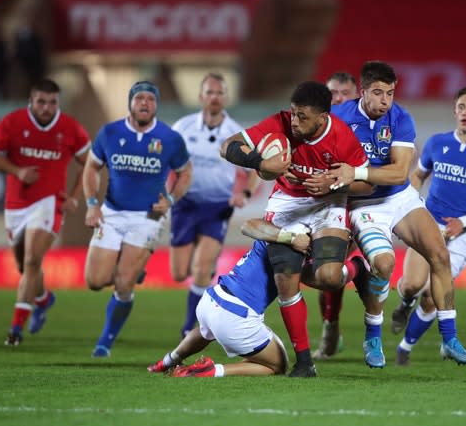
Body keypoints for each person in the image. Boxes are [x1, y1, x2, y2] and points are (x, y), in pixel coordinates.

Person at [327, 61, 466, 366]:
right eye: (378, 93)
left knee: (440, 255)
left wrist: (355, 171)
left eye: (390, 93)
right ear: (362, 91)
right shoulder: (338, 119)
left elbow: (398, 174)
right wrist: (349, 180)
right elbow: (333, 174)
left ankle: (449, 338)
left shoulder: (400, 118)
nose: (385, 100)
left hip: (399, 198)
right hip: (364, 206)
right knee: (383, 265)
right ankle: (373, 334)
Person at [220, 81, 370, 377]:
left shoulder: (342, 137)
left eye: (303, 117)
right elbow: (227, 146)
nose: (295, 122)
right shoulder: (281, 122)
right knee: (285, 278)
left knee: (328, 277)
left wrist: (334, 182)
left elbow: (367, 184)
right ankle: (304, 362)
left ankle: (356, 271)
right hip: (288, 201)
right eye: (293, 113)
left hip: (329, 202)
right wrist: (260, 161)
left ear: (323, 118)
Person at [391, 86, 466, 365]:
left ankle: (405, 347)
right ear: (455, 111)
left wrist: (462, 223)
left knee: (431, 294)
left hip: (461, 234)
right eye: (461, 107)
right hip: (429, 224)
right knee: (411, 285)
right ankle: (404, 304)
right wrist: (409, 206)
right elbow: (417, 177)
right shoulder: (437, 143)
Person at [83, 81, 192, 357]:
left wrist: (170, 200)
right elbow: (91, 168)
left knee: (123, 284)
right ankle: (131, 265)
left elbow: (185, 173)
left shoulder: (169, 138)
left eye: (150, 99)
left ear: (156, 105)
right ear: (130, 102)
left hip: (147, 216)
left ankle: (105, 340)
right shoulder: (110, 132)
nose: (145, 103)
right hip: (111, 212)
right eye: (140, 98)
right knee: (95, 281)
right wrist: (92, 204)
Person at [0, 79, 90, 346]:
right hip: (16, 204)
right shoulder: (12, 122)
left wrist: (75, 197)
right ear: (31, 101)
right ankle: (42, 299)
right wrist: (17, 171)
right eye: (41, 101)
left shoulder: (69, 128)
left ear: (58, 103)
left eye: (52, 102)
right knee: (24, 265)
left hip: (49, 203)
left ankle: (15, 329)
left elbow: (91, 164)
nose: (46, 107)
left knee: (31, 260)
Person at [147, 219, 311, 377]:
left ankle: (167, 361)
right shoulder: (293, 244)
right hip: (236, 314)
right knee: (278, 364)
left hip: (212, 299)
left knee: (206, 332)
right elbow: (307, 278)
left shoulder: (273, 230)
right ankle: (211, 371)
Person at [170, 73, 259, 338]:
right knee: (178, 273)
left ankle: (189, 327)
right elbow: (167, 163)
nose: (214, 98)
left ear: (226, 97)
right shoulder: (183, 127)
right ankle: (202, 268)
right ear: (200, 97)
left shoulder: (234, 133)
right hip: (185, 205)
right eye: (210, 92)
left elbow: (256, 167)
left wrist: (243, 193)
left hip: (216, 207)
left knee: (199, 272)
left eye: (219, 93)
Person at [313, 71, 359, 360]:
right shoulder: (316, 129)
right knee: (326, 271)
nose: (339, 98)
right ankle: (330, 326)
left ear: (357, 96)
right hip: (326, 206)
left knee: (335, 267)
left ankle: (334, 331)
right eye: (333, 93)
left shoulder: (369, 127)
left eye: (345, 92)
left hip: (363, 206)